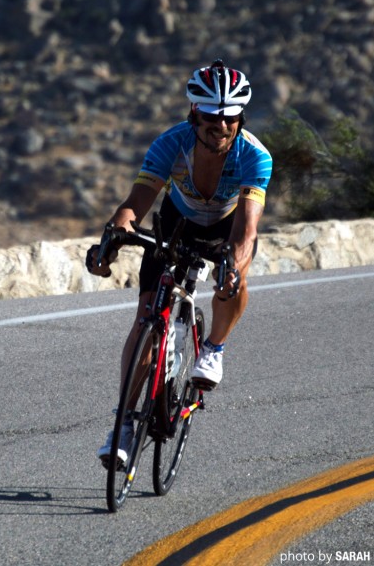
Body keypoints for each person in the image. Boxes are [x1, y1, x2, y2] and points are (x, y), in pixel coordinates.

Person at [86, 59, 273, 468]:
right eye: (210, 117)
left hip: (226, 228)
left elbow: (246, 231)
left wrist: (233, 265)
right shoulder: (170, 144)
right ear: (194, 113)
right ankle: (123, 426)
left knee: (235, 278)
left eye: (230, 118)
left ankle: (214, 348)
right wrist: (111, 240)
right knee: (146, 321)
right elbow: (134, 206)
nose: (220, 126)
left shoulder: (255, 156)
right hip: (175, 225)